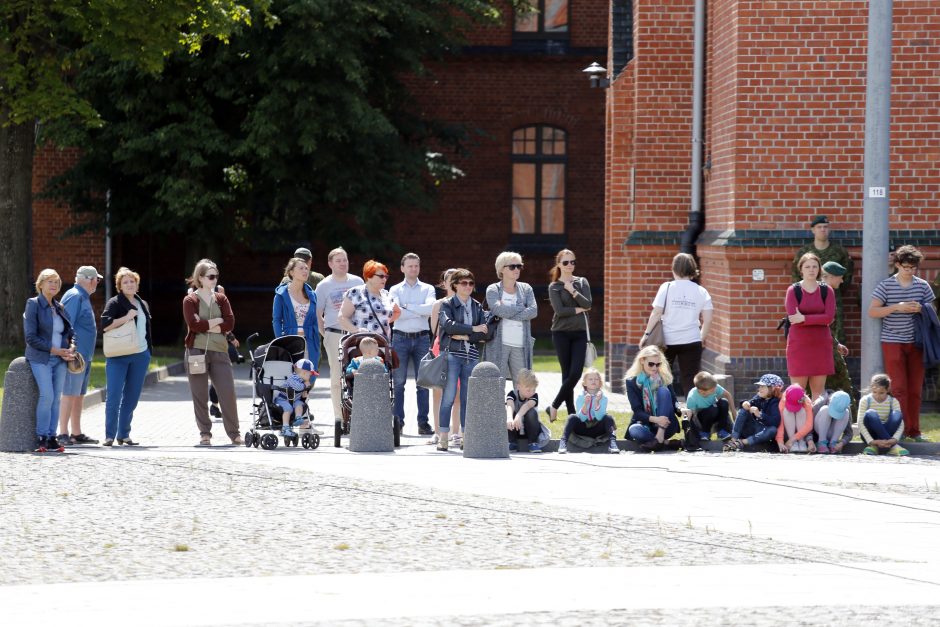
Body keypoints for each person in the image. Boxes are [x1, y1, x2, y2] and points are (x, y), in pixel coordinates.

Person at [868, 245, 934, 442]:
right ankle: (901, 431)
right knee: (898, 389)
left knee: (915, 389)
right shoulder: (886, 286)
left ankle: (915, 431)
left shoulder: (922, 285)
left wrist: (921, 309)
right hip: (892, 341)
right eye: (906, 267)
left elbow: (933, 312)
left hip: (917, 342)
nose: (910, 271)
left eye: (913, 267)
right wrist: (897, 307)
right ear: (897, 264)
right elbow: (873, 311)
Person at [183, 259, 241, 446]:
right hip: (196, 351)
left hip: (220, 351)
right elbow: (194, 325)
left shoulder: (221, 298)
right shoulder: (190, 300)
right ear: (200, 277)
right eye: (211, 276)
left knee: (227, 392)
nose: (215, 279)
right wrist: (217, 322)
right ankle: (205, 433)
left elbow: (230, 323)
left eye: (216, 276)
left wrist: (208, 325)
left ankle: (234, 433)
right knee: (200, 393)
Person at [640, 253, 713, 398]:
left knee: (661, 376)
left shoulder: (666, 287)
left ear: (674, 269)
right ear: (693, 269)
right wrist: (700, 338)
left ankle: (663, 410)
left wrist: (646, 334)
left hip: (666, 341)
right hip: (692, 340)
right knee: (690, 379)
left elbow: (656, 313)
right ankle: (692, 413)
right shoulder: (701, 291)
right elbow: (708, 319)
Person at [436, 268, 490, 452]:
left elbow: (486, 332)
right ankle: (444, 436)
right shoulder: (447, 304)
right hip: (452, 355)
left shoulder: (477, 306)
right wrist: (473, 329)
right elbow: (448, 326)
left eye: (470, 283)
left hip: (472, 356)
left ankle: (467, 437)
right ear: (455, 285)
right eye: (463, 283)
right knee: (449, 397)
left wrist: (466, 335)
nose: (467, 286)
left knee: (468, 398)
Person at [24, 268, 77, 452]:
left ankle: (52, 437)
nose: (54, 285)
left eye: (57, 282)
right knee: (47, 396)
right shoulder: (33, 304)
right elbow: (30, 337)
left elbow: (70, 332)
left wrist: (70, 348)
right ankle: (41, 437)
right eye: (50, 281)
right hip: (41, 358)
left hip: (60, 360)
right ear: (40, 284)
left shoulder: (60, 307)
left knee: (56, 399)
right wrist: (55, 350)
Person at [100, 267, 153, 447]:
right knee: (113, 396)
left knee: (131, 397)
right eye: (125, 282)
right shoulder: (114, 303)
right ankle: (109, 435)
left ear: (137, 285)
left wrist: (147, 353)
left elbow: (145, 330)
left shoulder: (142, 304)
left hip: (140, 355)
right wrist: (127, 317)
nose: (129, 284)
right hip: (118, 356)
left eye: (132, 281)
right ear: (119, 286)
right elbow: (105, 325)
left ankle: (124, 434)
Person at [315, 247, 364, 430]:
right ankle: (339, 418)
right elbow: (318, 313)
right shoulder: (324, 286)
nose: (343, 263)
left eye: (345, 260)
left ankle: (357, 415)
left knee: (357, 375)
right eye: (338, 261)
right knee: (336, 378)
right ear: (330, 264)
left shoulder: (357, 281)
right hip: (334, 334)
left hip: (356, 335)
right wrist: (325, 334)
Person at [389, 253, 436, 435]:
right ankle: (398, 422)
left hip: (422, 338)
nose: (413, 269)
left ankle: (423, 423)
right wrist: (419, 310)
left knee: (423, 383)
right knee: (398, 382)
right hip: (399, 338)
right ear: (402, 268)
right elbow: (396, 312)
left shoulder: (428, 288)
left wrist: (407, 307)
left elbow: (430, 309)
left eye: (416, 266)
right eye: (410, 266)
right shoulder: (394, 290)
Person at [57, 265, 102, 445]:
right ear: (90, 279)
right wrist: (69, 349)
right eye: (96, 280)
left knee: (79, 394)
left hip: (84, 356)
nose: (97, 283)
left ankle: (76, 433)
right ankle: (62, 434)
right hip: (75, 355)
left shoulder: (82, 296)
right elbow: (66, 324)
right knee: (69, 392)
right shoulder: (75, 296)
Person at [546, 249, 592, 422]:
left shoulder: (581, 282)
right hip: (560, 333)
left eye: (572, 262)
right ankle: (572, 413)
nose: (569, 265)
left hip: (579, 334)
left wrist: (572, 290)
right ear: (559, 264)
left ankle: (554, 405)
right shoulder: (554, 286)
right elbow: (560, 311)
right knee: (567, 375)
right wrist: (578, 309)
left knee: (575, 373)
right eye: (565, 262)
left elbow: (588, 303)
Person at [792, 216, 853, 343]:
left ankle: (838, 362)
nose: (823, 230)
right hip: (809, 299)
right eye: (819, 227)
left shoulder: (839, 251)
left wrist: (835, 289)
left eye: (825, 227)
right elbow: (796, 276)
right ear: (813, 230)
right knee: (811, 333)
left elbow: (846, 277)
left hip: (834, 298)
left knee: (837, 334)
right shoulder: (804, 252)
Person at [785, 253, 835, 403]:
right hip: (799, 346)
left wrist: (805, 318)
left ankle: (816, 426)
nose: (811, 270)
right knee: (797, 394)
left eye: (815, 266)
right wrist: (817, 319)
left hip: (821, 345)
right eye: (807, 267)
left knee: (818, 395)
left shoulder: (827, 290)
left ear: (819, 269)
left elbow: (829, 318)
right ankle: (799, 426)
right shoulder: (793, 291)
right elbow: (793, 317)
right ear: (801, 269)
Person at [485, 251, 537, 386]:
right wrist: (521, 308)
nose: (517, 270)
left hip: (520, 345)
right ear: (502, 269)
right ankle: (497, 408)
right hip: (498, 344)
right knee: (495, 385)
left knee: (523, 386)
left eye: (519, 266)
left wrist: (506, 311)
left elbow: (533, 311)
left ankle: (520, 408)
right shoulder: (493, 289)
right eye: (512, 266)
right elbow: (497, 310)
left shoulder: (526, 289)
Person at [427, 269, 462, 446]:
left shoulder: (465, 302)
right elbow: (435, 331)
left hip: (459, 350)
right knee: (437, 393)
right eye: (450, 280)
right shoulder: (438, 305)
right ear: (445, 283)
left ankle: (455, 432)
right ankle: (438, 431)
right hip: (440, 349)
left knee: (456, 395)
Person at [624, 346, 681, 452]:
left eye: (658, 364)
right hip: (647, 425)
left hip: (667, 423)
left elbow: (674, 401)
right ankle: (664, 443)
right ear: (642, 360)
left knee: (663, 391)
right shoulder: (632, 382)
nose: (655, 368)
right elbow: (637, 411)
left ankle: (659, 437)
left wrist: (681, 409)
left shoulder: (664, 378)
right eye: (651, 364)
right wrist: (656, 419)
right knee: (634, 430)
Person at [273, 256, 321, 366]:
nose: (305, 271)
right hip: (290, 340)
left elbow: (314, 321)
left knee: (307, 378)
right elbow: (276, 321)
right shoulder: (281, 294)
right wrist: (280, 342)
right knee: (290, 377)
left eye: (306, 268)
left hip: (309, 342)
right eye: (301, 268)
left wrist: (316, 343)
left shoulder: (312, 295)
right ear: (291, 272)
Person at [559, 368, 618, 454]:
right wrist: (585, 405)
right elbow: (582, 418)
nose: (593, 381)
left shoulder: (603, 398)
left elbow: (600, 417)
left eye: (596, 379)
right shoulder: (580, 397)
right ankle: (563, 443)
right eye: (590, 379)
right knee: (572, 417)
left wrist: (597, 402)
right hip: (583, 429)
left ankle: (613, 444)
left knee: (608, 418)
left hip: (598, 429)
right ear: (585, 383)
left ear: (600, 383)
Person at [820, 262, 854, 404]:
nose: (842, 280)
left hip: (829, 345)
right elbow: (822, 325)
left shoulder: (827, 292)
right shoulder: (823, 293)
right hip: (824, 348)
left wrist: (836, 343)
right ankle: (849, 422)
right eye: (840, 277)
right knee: (843, 386)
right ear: (831, 277)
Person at [724, 374, 784, 452]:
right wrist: (745, 403)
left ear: (772, 388)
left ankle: (741, 442)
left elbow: (775, 422)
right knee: (743, 410)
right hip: (751, 428)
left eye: (762, 387)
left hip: (762, 433)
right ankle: (733, 439)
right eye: (759, 386)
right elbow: (750, 403)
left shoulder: (775, 402)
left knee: (773, 430)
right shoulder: (758, 397)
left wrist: (760, 415)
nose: (759, 389)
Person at [857, 374, 908, 456]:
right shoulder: (865, 400)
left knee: (897, 414)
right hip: (871, 434)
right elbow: (860, 423)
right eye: (874, 392)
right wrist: (871, 441)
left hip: (889, 431)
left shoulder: (893, 401)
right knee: (871, 413)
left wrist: (895, 439)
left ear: (887, 390)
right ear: (871, 389)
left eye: (881, 393)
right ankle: (891, 446)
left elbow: (900, 423)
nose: (877, 396)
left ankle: (883, 446)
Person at [684, 371, 734, 441]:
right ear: (701, 391)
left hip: (715, 416)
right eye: (712, 390)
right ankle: (705, 433)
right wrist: (693, 433)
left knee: (724, 402)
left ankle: (722, 431)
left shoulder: (713, 386)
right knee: (712, 409)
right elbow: (692, 416)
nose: (715, 390)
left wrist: (734, 416)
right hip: (703, 419)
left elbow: (728, 395)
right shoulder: (692, 397)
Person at [275, 359, 316, 438]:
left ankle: (298, 418)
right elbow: (297, 387)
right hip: (282, 399)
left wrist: (304, 394)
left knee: (299, 404)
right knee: (289, 408)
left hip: (294, 400)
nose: (310, 377)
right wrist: (305, 386)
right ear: (304, 372)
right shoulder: (293, 378)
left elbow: (301, 394)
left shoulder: (302, 380)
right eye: (310, 375)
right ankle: (285, 428)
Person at [505, 369, 544, 453]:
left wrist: (518, 416)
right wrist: (509, 418)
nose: (531, 392)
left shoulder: (534, 396)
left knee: (531, 413)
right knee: (508, 413)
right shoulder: (512, 394)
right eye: (528, 390)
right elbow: (510, 405)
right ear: (518, 386)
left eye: (534, 389)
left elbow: (527, 406)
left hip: (529, 430)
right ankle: (511, 442)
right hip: (515, 429)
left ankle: (533, 443)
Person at [776, 383, 815, 454]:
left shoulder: (806, 401)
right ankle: (794, 444)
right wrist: (780, 442)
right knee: (787, 411)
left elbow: (809, 425)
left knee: (801, 410)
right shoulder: (783, 400)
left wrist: (792, 439)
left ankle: (801, 442)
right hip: (788, 432)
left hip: (801, 434)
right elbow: (780, 423)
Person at [813, 390, 852, 455]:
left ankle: (833, 443)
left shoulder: (845, 407)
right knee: (825, 409)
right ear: (830, 401)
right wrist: (810, 440)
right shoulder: (820, 402)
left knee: (846, 412)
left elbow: (849, 433)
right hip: (818, 432)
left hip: (833, 434)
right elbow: (809, 426)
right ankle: (821, 443)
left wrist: (841, 443)